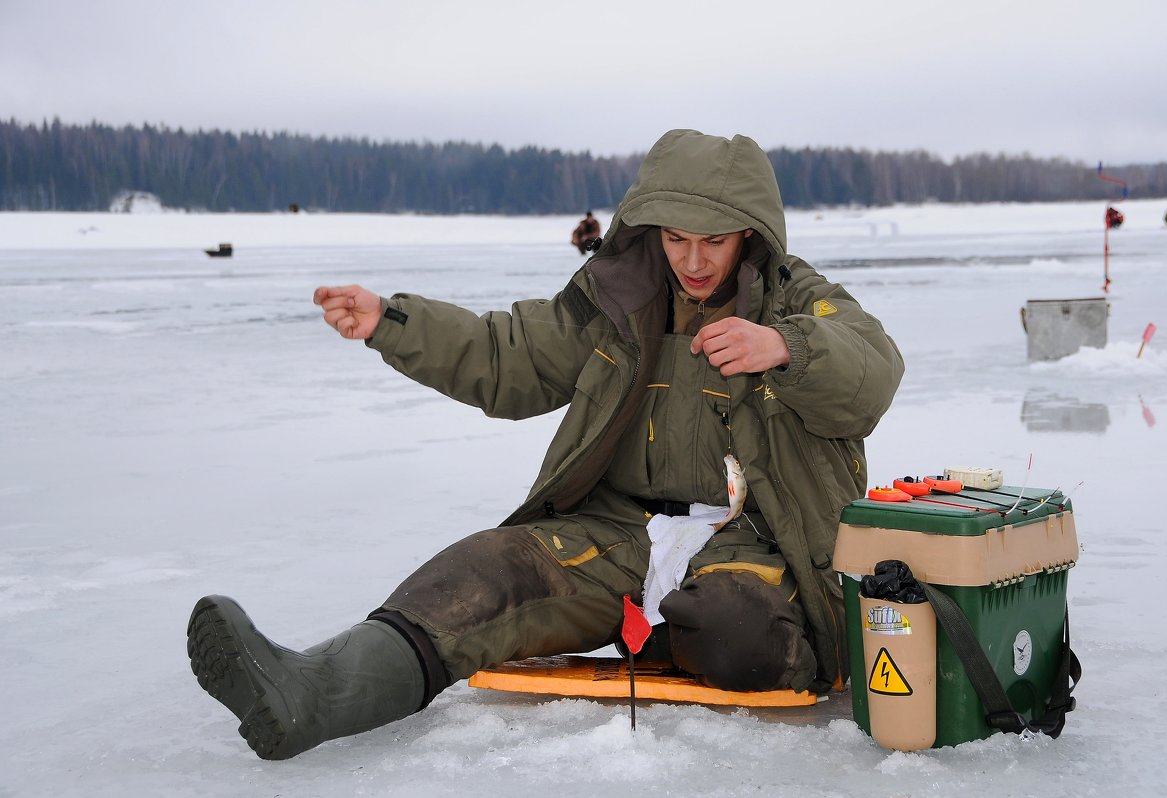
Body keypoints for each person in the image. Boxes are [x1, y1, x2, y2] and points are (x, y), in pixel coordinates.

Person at [186, 129, 905, 760]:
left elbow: (872, 370)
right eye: (675, 237)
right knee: (483, 574)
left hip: (755, 542)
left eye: (712, 241)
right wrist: (390, 323)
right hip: (621, 532)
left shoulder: (795, 299)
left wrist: (784, 347)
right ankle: (312, 694)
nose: (692, 259)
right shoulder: (617, 300)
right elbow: (508, 358)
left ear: (749, 233)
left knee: (736, 634)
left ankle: (676, 628)